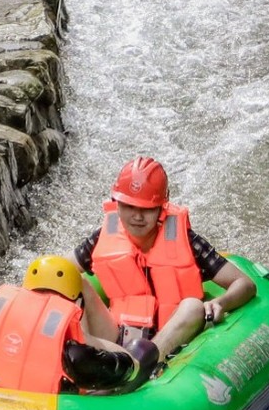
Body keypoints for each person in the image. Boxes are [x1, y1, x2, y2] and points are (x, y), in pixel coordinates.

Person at [77, 156, 256, 370]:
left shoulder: (188, 242)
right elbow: (60, 270)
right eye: (130, 206)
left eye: (147, 209)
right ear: (117, 204)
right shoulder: (102, 237)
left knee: (192, 306)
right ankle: (82, 362)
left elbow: (245, 284)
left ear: (161, 208)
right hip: (116, 340)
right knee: (72, 281)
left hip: (167, 344)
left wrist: (221, 303)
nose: (137, 216)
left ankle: (139, 368)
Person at [0, 254, 157, 394]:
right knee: (145, 353)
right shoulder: (72, 353)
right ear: (75, 304)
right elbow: (125, 370)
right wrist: (131, 357)